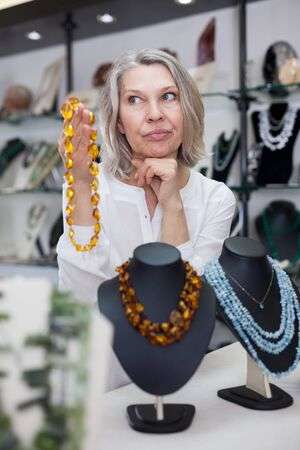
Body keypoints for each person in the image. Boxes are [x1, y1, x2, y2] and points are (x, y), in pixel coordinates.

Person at [57, 48, 236, 305]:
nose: (154, 114)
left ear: (187, 109)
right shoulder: (89, 184)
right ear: (118, 121)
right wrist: (82, 185)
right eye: (135, 100)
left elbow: (188, 308)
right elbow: (80, 300)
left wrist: (173, 205)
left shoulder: (216, 199)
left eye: (168, 96)